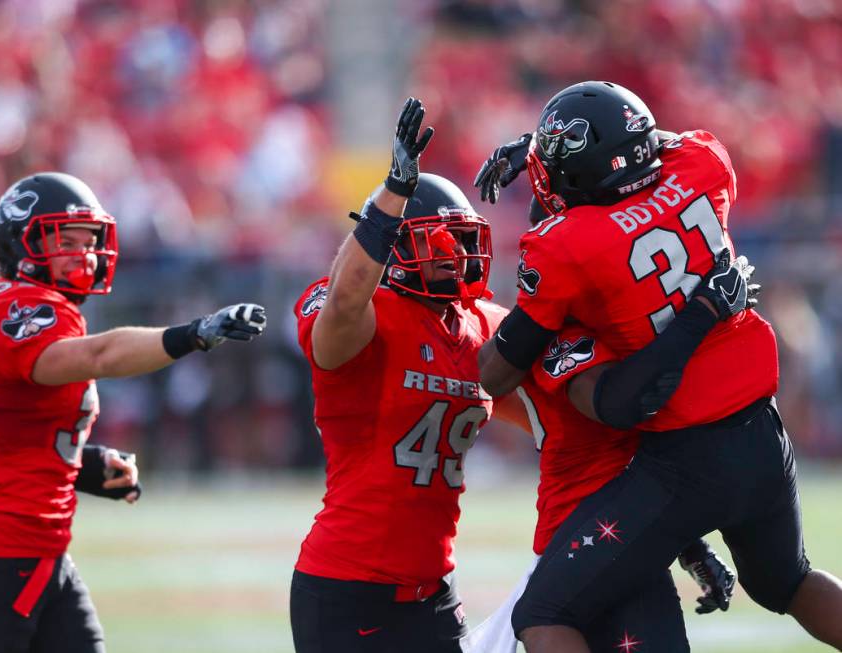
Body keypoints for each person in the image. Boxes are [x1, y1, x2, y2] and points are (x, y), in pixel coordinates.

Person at [289, 97, 735, 653]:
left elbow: (587, 439)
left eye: (460, 239)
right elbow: (345, 301)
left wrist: (684, 541)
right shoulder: (365, 318)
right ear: (397, 247)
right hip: (346, 588)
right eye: (436, 241)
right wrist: (393, 195)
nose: (455, 255)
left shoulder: (482, 326)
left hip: (435, 594)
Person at [474, 80, 842, 652]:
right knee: (786, 582)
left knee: (542, 612)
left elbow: (502, 372)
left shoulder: (568, 246)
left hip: (685, 456)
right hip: (764, 433)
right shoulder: (703, 164)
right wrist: (542, 146)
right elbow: (655, 147)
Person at [0, 172, 267, 653]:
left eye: (89, 241)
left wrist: (82, 465)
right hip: (4, 552)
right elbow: (98, 357)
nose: (85, 254)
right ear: (23, 244)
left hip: (40, 548)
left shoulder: (47, 308)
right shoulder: (17, 307)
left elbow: (9, 429)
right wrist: (193, 333)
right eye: (65, 241)